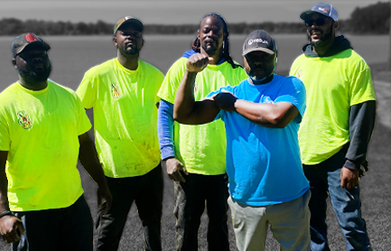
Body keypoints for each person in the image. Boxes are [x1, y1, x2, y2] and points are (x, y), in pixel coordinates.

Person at [174, 29, 311, 251]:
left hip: (289, 198)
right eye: (252, 56)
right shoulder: (230, 92)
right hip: (245, 200)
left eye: (264, 55)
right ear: (244, 60)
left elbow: (277, 117)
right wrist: (190, 74)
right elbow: (183, 115)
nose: (257, 61)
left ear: (276, 57)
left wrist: (234, 104)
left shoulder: (292, 85)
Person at [0, 33, 112, 251]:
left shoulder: (69, 97)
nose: (38, 58)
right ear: (15, 63)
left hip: (73, 205)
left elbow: (85, 146)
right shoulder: (0, 107)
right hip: (31, 211)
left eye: (42, 53)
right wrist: (3, 214)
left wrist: (103, 185)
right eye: (29, 55)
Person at [290, 3, 376, 251]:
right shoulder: (299, 63)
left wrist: (353, 161)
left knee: (351, 224)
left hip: (339, 159)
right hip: (304, 158)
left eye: (320, 21)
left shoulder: (353, 63)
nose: (314, 26)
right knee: (313, 228)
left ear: (334, 25)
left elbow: (363, 114)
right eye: (309, 22)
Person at [157, 13, 247, 251]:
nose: (211, 34)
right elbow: (165, 112)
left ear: (225, 36)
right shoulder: (181, 67)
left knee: (219, 233)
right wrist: (168, 155)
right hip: (188, 168)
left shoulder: (238, 73)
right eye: (206, 30)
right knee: (185, 233)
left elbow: (246, 118)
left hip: (224, 170)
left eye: (217, 31)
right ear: (199, 35)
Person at [76, 16, 164, 251]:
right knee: (107, 236)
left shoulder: (156, 76)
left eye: (136, 33)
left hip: (151, 168)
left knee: (153, 230)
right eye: (125, 33)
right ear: (115, 40)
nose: (131, 37)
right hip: (114, 173)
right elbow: (75, 111)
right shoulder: (98, 75)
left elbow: (165, 116)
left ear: (142, 40)